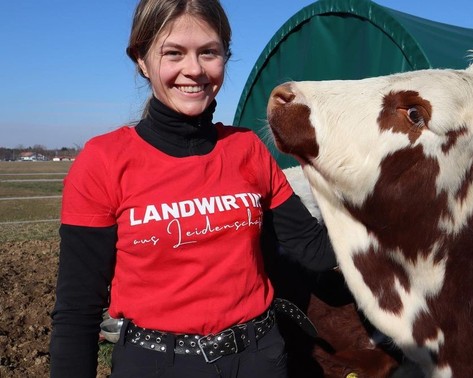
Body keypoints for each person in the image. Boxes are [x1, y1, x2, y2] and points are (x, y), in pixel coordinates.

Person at [49, 0, 336, 377]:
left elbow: (313, 249)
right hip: (157, 364)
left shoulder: (247, 149)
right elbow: (77, 310)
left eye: (209, 52)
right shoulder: (103, 161)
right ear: (141, 59)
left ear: (225, 57)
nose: (194, 70)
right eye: (174, 53)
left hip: (259, 359)